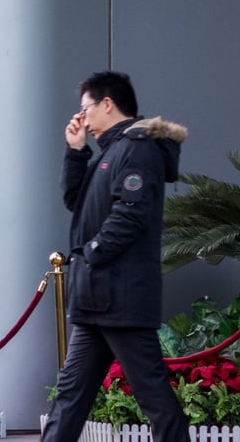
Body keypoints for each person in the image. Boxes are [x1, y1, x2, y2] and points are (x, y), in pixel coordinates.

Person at [42, 71, 190, 442]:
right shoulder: (113, 151)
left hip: (120, 298)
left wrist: (91, 253)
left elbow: (132, 213)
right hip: (97, 298)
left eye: (86, 110)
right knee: (70, 396)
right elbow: (76, 202)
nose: (83, 120)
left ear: (107, 103)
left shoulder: (137, 148)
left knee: (153, 395)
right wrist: (76, 151)